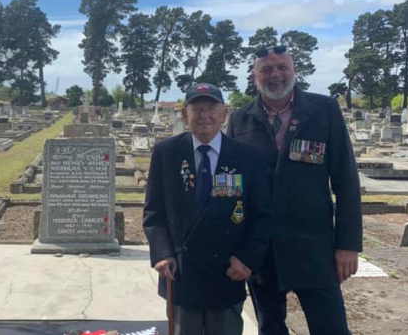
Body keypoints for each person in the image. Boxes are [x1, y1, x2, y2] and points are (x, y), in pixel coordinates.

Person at [226, 46, 362, 335]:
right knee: (270, 328)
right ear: (254, 76)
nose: (275, 75)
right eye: (266, 69)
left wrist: (348, 244)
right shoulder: (240, 118)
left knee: (331, 327)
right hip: (262, 250)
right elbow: (232, 184)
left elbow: (346, 180)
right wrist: (235, 246)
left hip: (313, 247)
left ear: (294, 70)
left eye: (282, 67)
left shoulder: (324, 110)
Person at [144, 83, 272, 335]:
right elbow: (154, 211)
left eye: (211, 108)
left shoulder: (248, 156)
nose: (204, 115)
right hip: (181, 273)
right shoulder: (166, 152)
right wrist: (161, 253)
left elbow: (263, 215)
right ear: (184, 114)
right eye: (197, 108)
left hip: (227, 272)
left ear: (225, 113)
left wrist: (247, 258)